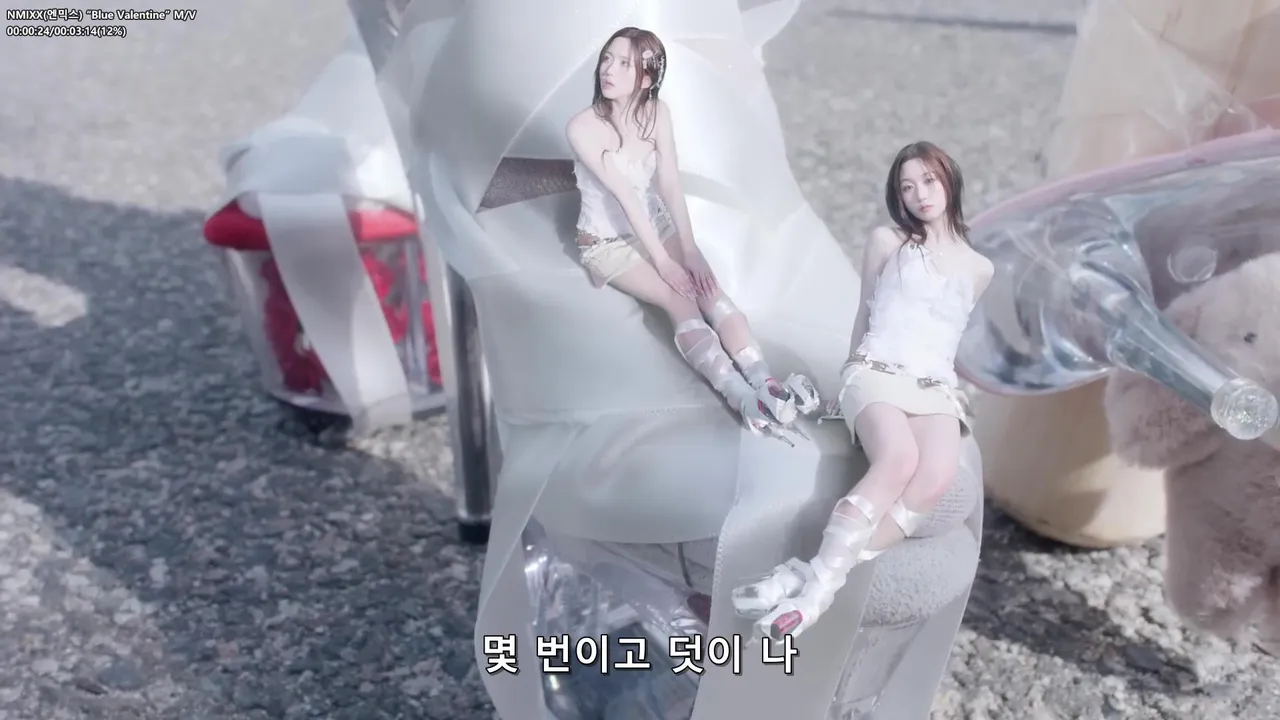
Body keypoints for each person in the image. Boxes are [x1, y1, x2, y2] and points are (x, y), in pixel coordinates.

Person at [732, 141, 995, 639]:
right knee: (897, 459)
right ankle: (816, 597)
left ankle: (807, 574)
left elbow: (946, 334)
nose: (920, 194)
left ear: (949, 180)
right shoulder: (887, 242)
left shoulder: (980, 268)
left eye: (929, 181)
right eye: (907, 186)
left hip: (936, 386)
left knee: (936, 478)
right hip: (877, 369)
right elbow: (864, 313)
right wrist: (852, 373)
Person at [565, 26, 819, 441]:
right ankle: (742, 398)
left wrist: (690, 249)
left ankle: (765, 383)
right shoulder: (582, 127)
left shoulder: (657, 113)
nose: (608, 69)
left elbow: (668, 182)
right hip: (607, 243)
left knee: (709, 290)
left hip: (656, 223)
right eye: (607, 58)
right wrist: (665, 264)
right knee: (679, 298)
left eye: (624, 63)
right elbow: (626, 197)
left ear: (646, 78)